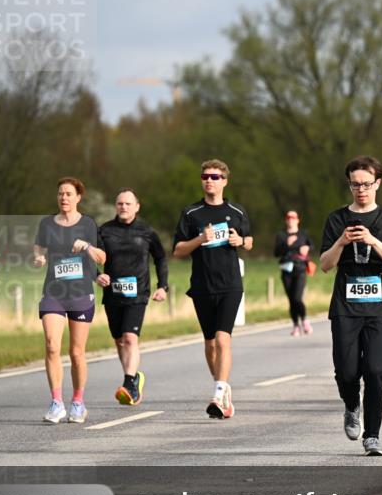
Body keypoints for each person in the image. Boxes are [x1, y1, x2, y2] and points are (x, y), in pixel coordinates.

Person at [320, 156, 382, 456]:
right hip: (345, 306)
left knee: (375, 369)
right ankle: (351, 404)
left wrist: (373, 241)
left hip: (379, 307)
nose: (361, 190)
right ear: (349, 185)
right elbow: (325, 265)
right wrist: (341, 242)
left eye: (367, 184)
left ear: (377, 184)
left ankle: (372, 436)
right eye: (355, 185)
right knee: (346, 372)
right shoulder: (336, 219)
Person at [172, 159, 253, 419]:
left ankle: (218, 394)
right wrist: (199, 239)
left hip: (230, 285)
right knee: (209, 343)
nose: (209, 180)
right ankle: (223, 388)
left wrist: (240, 240)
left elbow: (249, 241)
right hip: (202, 286)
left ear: (225, 181)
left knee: (222, 339)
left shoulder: (236, 211)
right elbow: (177, 251)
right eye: (205, 176)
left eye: (215, 177)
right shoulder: (191, 213)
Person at [34, 178, 107, 423]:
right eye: (60, 194)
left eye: (68, 194)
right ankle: (57, 403)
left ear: (78, 197)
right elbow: (39, 248)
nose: (63, 198)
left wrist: (86, 246)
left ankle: (78, 402)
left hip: (80, 293)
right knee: (52, 346)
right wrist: (39, 258)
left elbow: (101, 257)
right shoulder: (47, 224)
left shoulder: (87, 224)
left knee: (76, 352)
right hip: (54, 293)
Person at [97, 189, 169, 406]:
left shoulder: (146, 231)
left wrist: (162, 286)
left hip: (138, 293)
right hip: (112, 294)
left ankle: (129, 383)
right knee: (119, 340)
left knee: (130, 338)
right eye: (120, 203)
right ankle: (133, 377)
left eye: (128, 204)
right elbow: (91, 256)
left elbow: (160, 258)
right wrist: (97, 275)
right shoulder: (104, 231)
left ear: (137, 207)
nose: (124, 207)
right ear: (116, 206)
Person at [273, 210, 314, 336]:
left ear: (297, 220)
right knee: (291, 300)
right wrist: (287, 244)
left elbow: (312, 246)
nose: (291, 220)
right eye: (289, 218)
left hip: (300, 269)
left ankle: (305, 320)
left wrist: (307, 248)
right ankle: (296, 325)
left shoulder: (303, 234)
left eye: (293, 218)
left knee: (297, 298)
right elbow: (276, 253)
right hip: (286, 270)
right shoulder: (282, 235)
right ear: (286, 220)